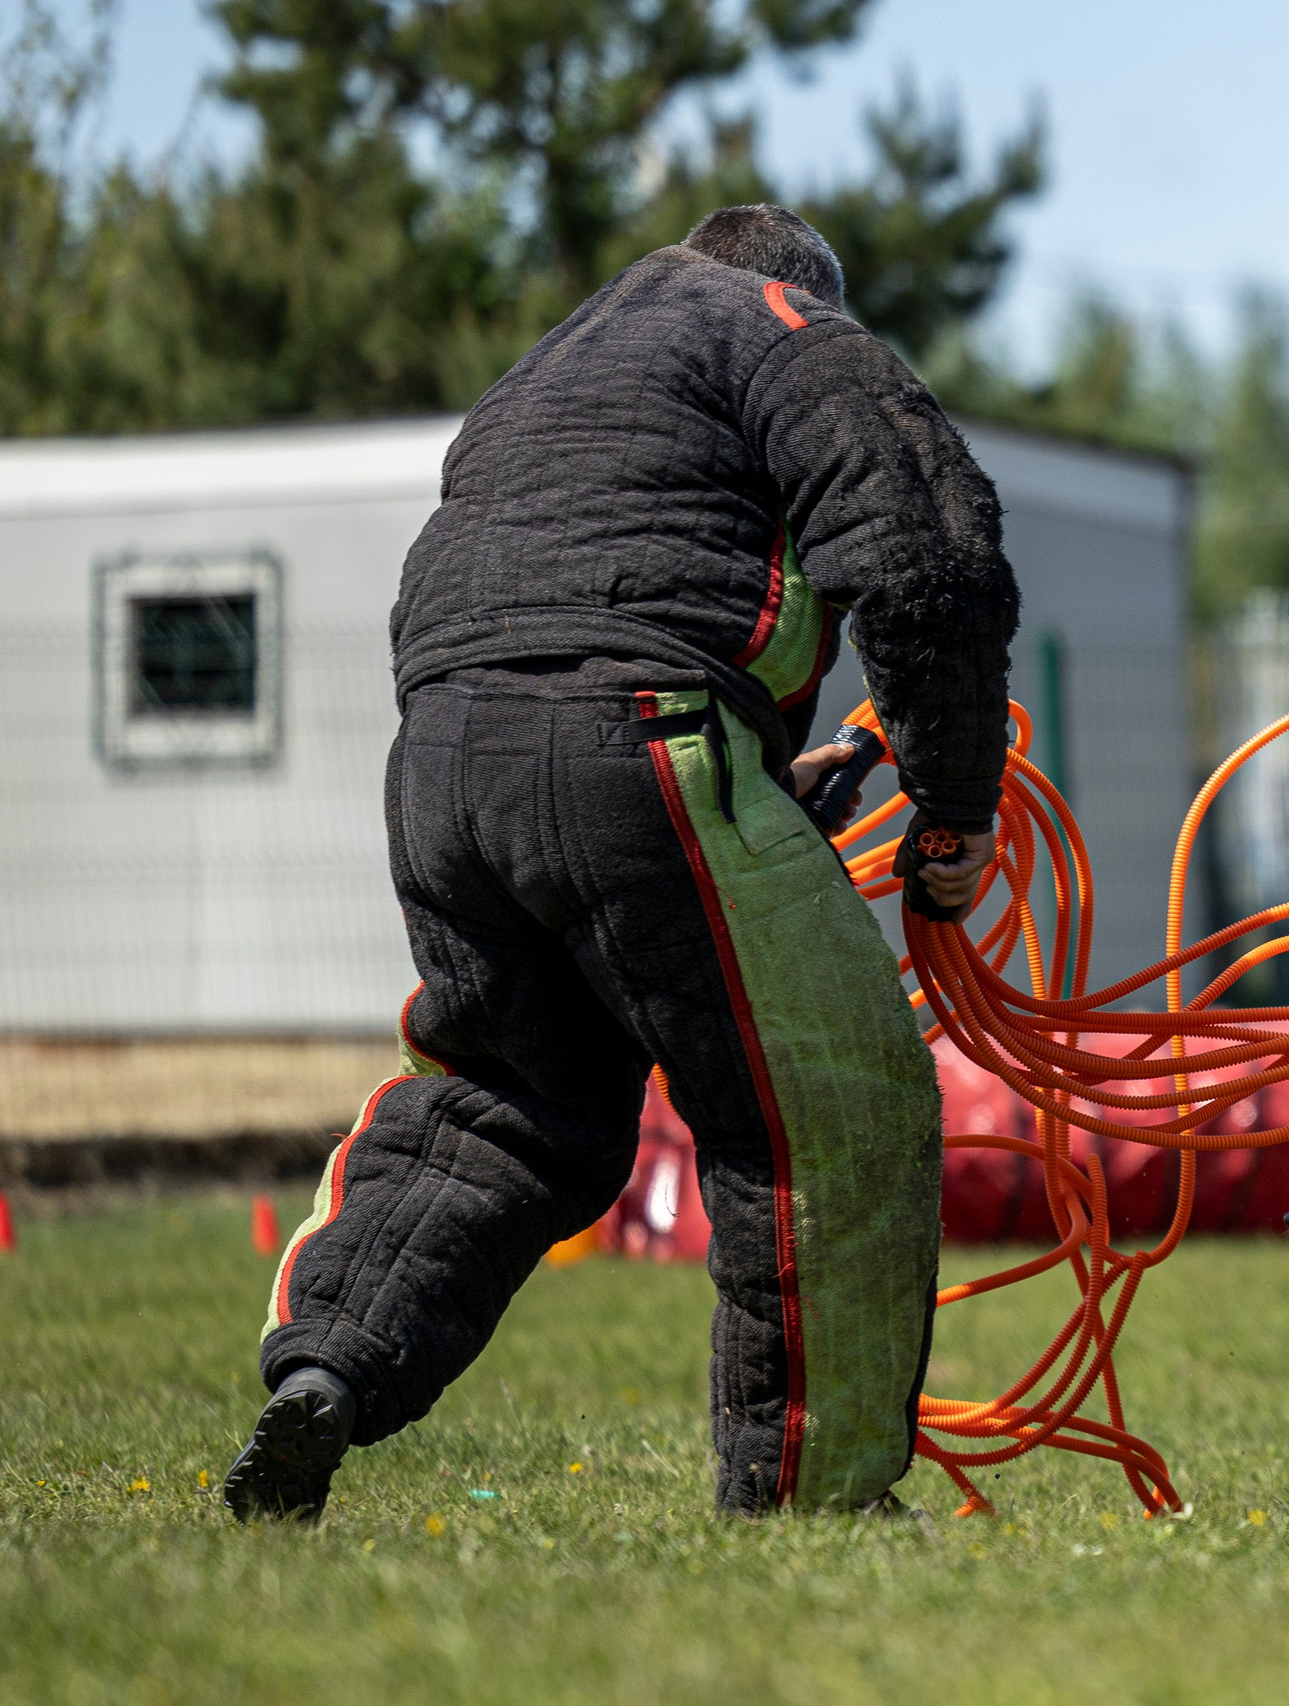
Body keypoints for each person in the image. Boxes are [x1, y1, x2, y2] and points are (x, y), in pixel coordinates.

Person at [221, 205, 1014, 1521]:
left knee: (504, 1104)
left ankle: (326, 1369)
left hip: (444, 767)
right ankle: (813, 1495)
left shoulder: (543, 371)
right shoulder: (787, 329)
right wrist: (955, 807)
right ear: (805, 287)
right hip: (644, 741)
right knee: (829, 1106)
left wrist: (758, 778)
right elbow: (930, 553)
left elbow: (584, 591)